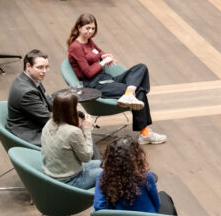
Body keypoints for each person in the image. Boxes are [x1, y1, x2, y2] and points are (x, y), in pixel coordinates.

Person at [94, 136, 198, 216]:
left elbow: (99, 207)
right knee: (165, 197)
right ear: (136, 156)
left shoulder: (102, 178)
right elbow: (156, 203)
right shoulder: (145, 176)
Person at [67, 13, 165, 145]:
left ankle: (129, 93)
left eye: (93, 29)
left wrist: (105, 56)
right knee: (139, 91)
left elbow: (99, 52)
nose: (90, 32)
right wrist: (102, 62)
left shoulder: (89, 41)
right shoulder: (75, 47)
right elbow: (88, 73)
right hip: (95, 85)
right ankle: (145, 133)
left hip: (107, 78)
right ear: (79, 27)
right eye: (87, 28)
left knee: (141, 67)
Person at [41, 89, 101, 189]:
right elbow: (86, 158)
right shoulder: (73, 132)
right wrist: (87, 130)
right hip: (69, 180)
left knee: (104, 163)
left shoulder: (49, 123)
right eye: (76, 106)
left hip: (53, 172)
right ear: (70, 110)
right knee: (109, 172)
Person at [6, 50, 54, 146]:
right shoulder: (27, 92)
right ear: (28, 66)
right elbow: (47, 119)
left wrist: (67, 109)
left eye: (46, 67)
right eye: (40, 67)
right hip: (30, 134)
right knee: (76, 138)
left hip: (35, 123)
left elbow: (48, 100)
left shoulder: (32, 79)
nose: (44, 71)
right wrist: (73, 120)